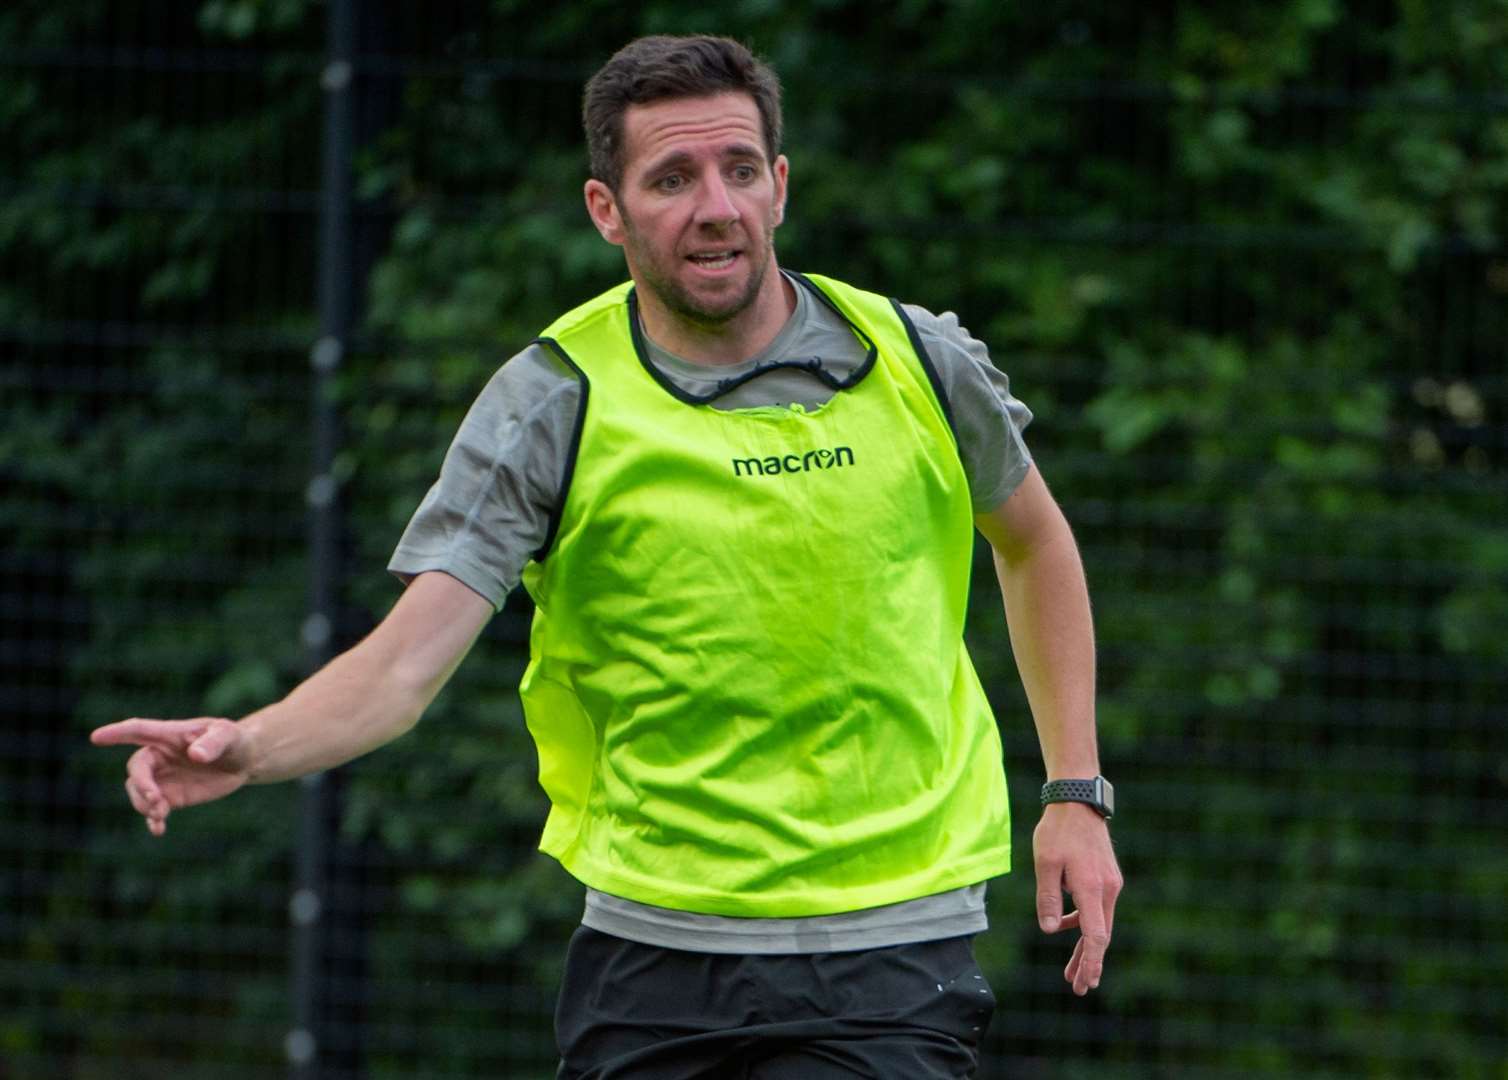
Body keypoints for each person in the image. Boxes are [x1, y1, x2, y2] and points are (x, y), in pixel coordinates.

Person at [92, 34, 1122, 1079]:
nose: (712, 206)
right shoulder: (552, 402)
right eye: (669, 179)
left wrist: (1074, 792)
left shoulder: (917, 362)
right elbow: (406, 665)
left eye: (737, 170)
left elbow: (1033, 542)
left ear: (778, 187)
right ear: (606, 210)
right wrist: (250, 745)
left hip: (892, 954)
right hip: (652, 957)